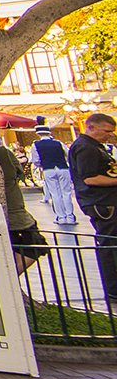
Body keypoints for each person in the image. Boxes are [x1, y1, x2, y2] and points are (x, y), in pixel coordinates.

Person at [68, 112, 117, 298]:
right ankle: (113, 289)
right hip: (101, 203)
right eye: (107, 131)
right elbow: (90, 178)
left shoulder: (95, 146)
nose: (109, 135)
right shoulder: (86, 148)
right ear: (92, 127)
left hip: (105, 201)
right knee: (109, 244)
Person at [0, 143, 47, 273]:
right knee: (34, 245)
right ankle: (10, 278)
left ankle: (9, 278)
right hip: (14, 214)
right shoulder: (1, 152)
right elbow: (18, 172)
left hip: (9, 214)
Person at [34, 125, 77, 227]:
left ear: (38, 134)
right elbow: (68, 154)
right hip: (63, 168)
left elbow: (36, 161)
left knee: (55, 194)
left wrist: (44, 164)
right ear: (49, 133)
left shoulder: (36, 145)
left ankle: (61, 217)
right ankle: (70, 216)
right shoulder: (59, 143)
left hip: (48, 169)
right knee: (66, 193)